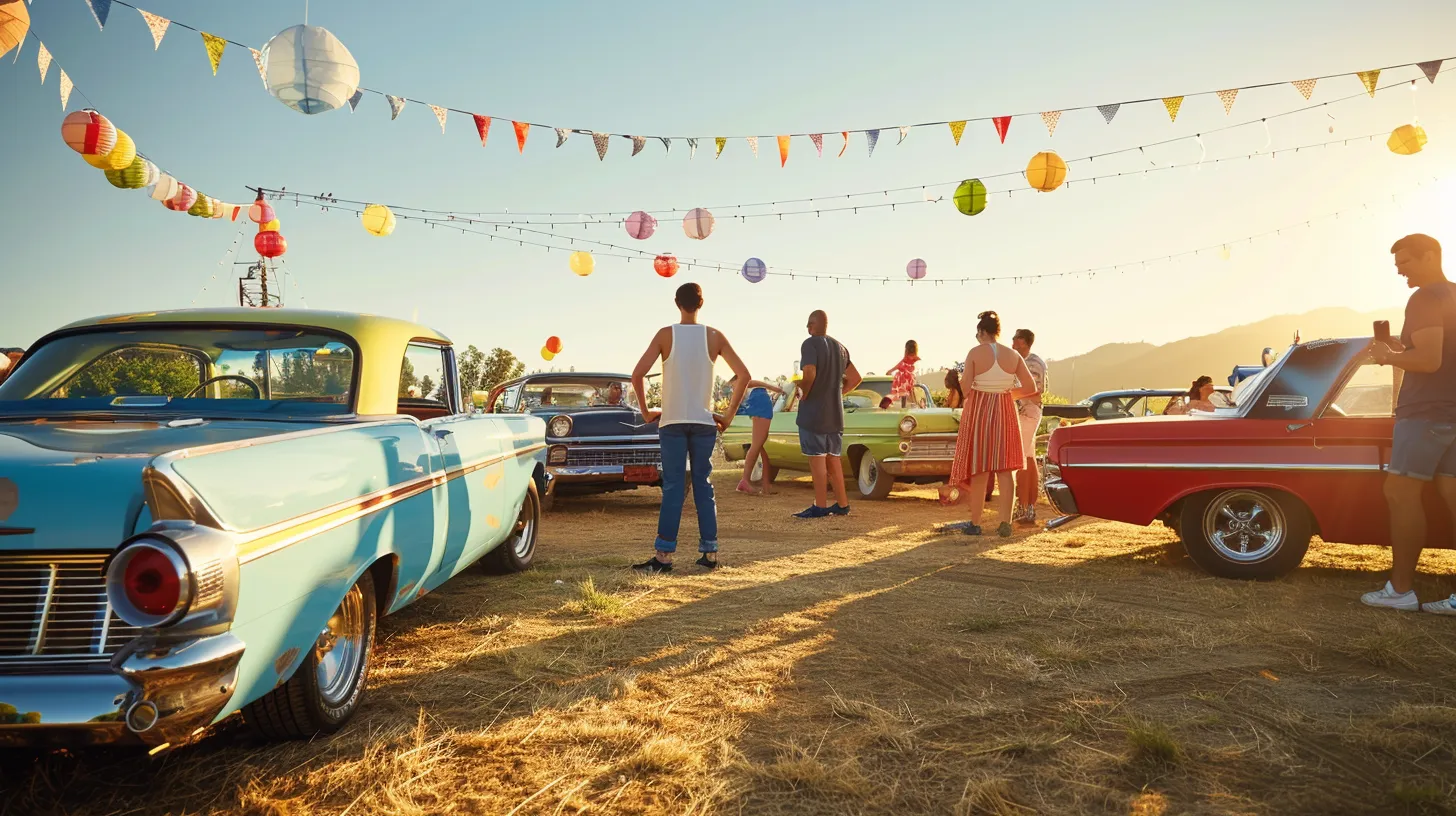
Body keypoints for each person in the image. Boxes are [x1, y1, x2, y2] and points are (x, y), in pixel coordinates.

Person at [1363, 233, 1456, 615]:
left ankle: (1400, 590)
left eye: (1406, 262)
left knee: (1400, 495)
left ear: (1431, 255)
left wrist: (1387, 357)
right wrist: (1404, 352)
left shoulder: (1424, 298)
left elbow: (1430, 361)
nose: (1400, 269)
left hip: (1427, 412)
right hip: (1452, 410)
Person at [631, 283, 751, 573]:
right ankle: (709, 553)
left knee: (673, 487)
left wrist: (647, 411)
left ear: (677, 303)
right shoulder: (714, 336)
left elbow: (637, 375)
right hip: (703, 422)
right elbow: (744, 375)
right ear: (701, 303)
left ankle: (663, 557)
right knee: (703, 485)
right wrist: (729, 414)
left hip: (672, 421)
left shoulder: (665, 334)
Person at [943, 311, 1039, 537]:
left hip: (981, 410)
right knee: (1006, 470)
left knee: (980, 468)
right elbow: (1029, 387)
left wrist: (963, 382)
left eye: (977, 334)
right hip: (1005, 409)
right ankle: (1004, 523)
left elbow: (966, 390)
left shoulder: (975, 353)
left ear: (982, 332)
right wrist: (1005, 394)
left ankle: (975, 523)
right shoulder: (1013, 354)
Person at [794, 310, 862, 519]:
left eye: (809, 324)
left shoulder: (810, 344)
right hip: (835, 414)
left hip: (814, 413)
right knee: (834, 461)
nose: (807, 328)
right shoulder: (840, 348)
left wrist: (804, 391)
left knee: (817, 461)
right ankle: (842, 504)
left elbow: (810, 373)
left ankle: (820, 505)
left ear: (815, 325)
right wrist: (836, 393)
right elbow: (855, 378)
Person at [1011, 329, 1047, 527]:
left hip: (1028, 412)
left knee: (1022, 458)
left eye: (1016, 338)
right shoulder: (1025, 361)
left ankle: (1024, 505)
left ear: (1023, 342)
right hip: (1025, 411)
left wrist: (1005, 394)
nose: (1012, 341)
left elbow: (1032, 391)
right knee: (1029, 456)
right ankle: (1029, 506)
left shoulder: (1032, 363)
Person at [728, 374, 785, 495]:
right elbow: (761, 384)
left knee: (760, 448)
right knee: (756, 446)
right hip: (761, 409)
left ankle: (765, 486)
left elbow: (759, 384)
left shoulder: (746, 384)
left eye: (732, 384)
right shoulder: (747, 386)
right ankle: (745, 481)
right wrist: (777, 390)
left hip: (761, 408)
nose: (733, 388)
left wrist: (776, 390)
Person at [888, 340, 921, 408]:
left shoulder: (904, 362)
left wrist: (891, 372)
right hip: (912, 393)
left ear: (906, 349)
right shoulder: (917, 361)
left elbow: (890, 371)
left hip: (905, 392)